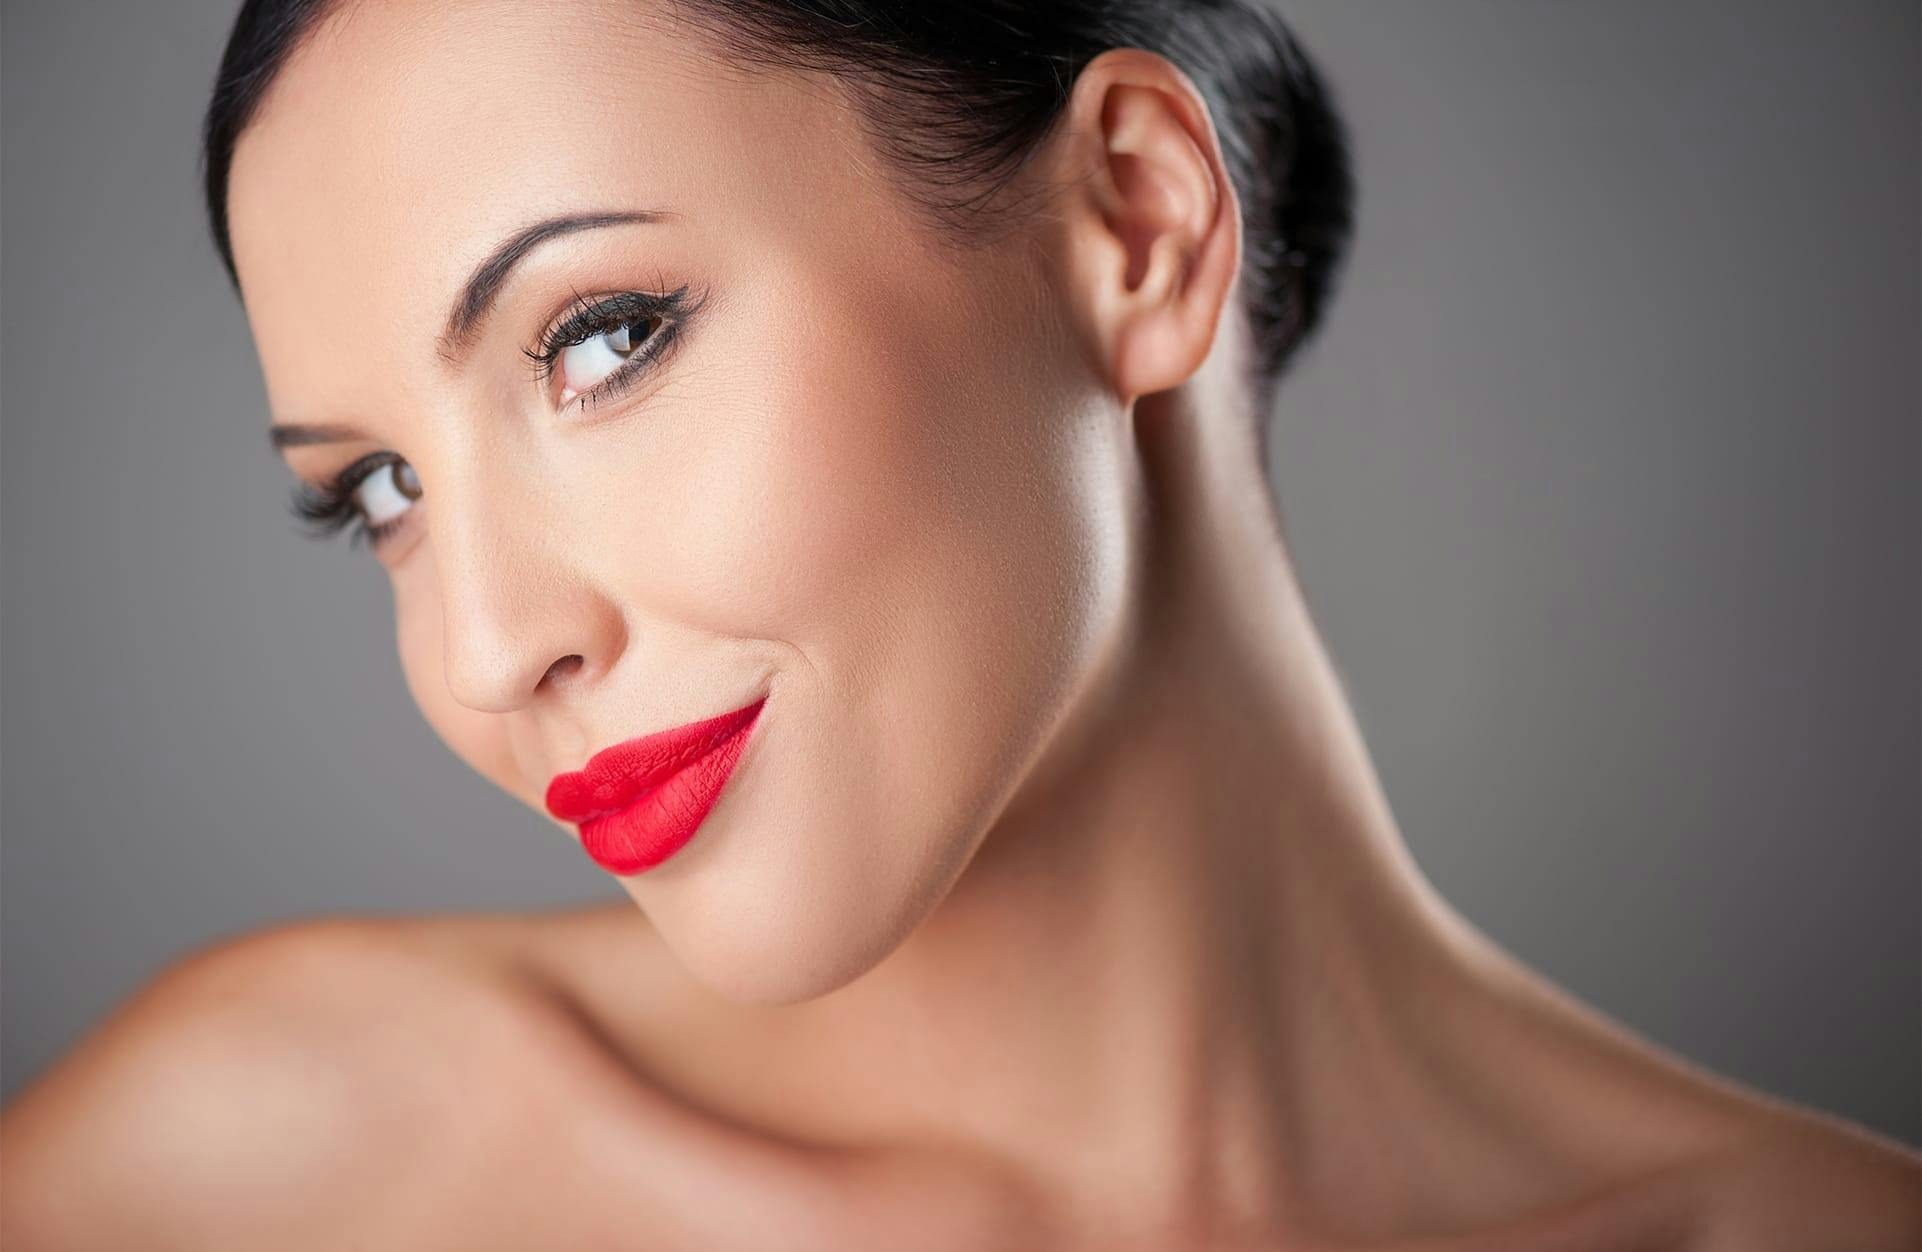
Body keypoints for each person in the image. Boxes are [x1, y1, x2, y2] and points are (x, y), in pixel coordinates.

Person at [3, 1, 1917, 1247]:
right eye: (383, 496)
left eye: (600, 338)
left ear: (1135, 224)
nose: (484, 648)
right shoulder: (265, 1170)